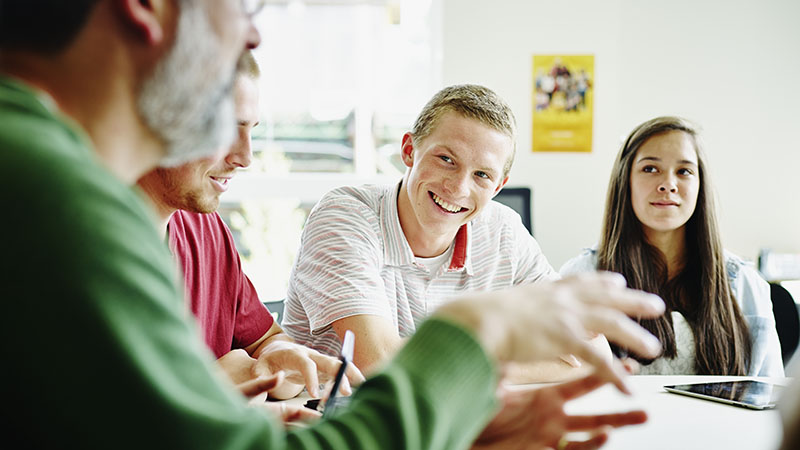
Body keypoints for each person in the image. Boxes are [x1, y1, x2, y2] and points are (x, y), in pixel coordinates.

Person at [1, 1, 664, 447]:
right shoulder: (53, 198)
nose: (253, 34)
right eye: (242, 8)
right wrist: (472, 337)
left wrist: (462, 414)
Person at [284, 83, 608, 376]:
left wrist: (464, 366)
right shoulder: (345, 216)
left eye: (482, 175)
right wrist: (517, 358)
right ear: (409, 150)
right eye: (446, 159)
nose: (457, 187)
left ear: (498, 186)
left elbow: (593, 354)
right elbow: (378, 362)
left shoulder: (504, 231)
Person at [137, 51, 363, 402]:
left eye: (251, 130)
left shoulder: (207, 230)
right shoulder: (80, 243)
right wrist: (210, 387)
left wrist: (274, 361)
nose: (245, 157)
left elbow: (263, 340)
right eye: (228, 129)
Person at [560, 116, 783, 377]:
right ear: (625, 181)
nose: (668, 184)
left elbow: (769, 396)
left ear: (700, 185)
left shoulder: (745, 283)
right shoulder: (581, 278)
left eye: (684, 171)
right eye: (650, 169)